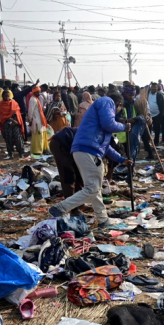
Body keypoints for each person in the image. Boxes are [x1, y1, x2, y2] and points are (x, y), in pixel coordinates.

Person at [49, 94, 133, 227]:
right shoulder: (107, 102)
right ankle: (61, 208)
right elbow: (109, 124)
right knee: (92, 189)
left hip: (85, 150)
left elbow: (106, 148)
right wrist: (124, 127)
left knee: (95, 189)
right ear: (119, 105)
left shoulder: (100, 125)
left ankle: (103, 219)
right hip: (88, 150)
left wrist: (122, 160)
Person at [50, 126, 83, 215]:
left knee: (79, 175)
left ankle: (79, 204)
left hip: (72, 146)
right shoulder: (95, 138)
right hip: (60, 144)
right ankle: (73, 209)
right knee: (69, 176)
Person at [0, 89, 25, 158]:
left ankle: (21, 153)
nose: (7, 97)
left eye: (8, 96)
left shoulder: (14, 103)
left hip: (15, 123)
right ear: (3, 96)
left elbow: (18, 112)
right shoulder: (1, 104)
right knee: (8, 139)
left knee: (18, 138)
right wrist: (9, 119)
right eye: (5, 96)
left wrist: (15, 120)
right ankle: (10, 153)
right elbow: (2, 115)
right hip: (6, 124)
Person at [28, 86, 49, 154]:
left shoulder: (36, 99)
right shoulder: (33, 99)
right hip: (36, 119)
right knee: (38, 135)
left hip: (40, 119)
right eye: (37, 92)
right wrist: (30, 119)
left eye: (39, 92)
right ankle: (37, 150)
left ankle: (42, 149)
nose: (39, 93)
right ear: (34, 92)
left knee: (41, 135)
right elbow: (30, 110)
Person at [147, 82, 164, 147]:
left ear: (157, 88)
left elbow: (163, 105)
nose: (153, 90)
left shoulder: (159, 95)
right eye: (152, 88)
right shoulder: (147, 93)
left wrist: (161, 115)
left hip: (157, 115)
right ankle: (148, 142)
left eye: (155, 89)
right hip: (148, 115)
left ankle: (156, 142)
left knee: (157, 129)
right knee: (148, 129)